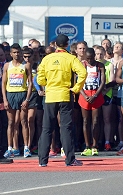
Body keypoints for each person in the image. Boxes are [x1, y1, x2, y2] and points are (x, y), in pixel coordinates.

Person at [37, 34, 87, 167]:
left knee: (47, 128)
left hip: (50, 96)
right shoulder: (70, 58)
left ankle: (42, 160)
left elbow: (39, 76)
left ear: (55, 45)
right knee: (66, 128)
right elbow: (83, 73)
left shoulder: (47, 59)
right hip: (65, 95)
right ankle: (70, 159)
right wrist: (76, 88)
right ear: (67, 45)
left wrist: (45, 84)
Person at [1, 43, 32, 158]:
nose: (16, 54)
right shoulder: (7, 66)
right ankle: (10, 148)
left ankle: (26, 148)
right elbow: (3, 84)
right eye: (14, 52)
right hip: (10, 94)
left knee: (24, 121)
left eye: (18, 52)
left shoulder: (26, 65)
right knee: (11, 122)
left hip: (22, 94)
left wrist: (27, 99)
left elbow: (30, 83)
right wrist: (4, 99)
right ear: (10, 54)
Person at [78, 48, 105, 156]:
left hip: (96, 94)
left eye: (91, 58)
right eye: (87, 58)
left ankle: (95, 145)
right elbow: (78, 82)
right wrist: (84, 95)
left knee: (96, 120)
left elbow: (103, 82)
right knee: (85, 120)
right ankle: (87, 145)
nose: (89, 61)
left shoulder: (99, 66)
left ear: (94, 56)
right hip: (84, 94)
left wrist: (96, 95)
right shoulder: (82, 65)